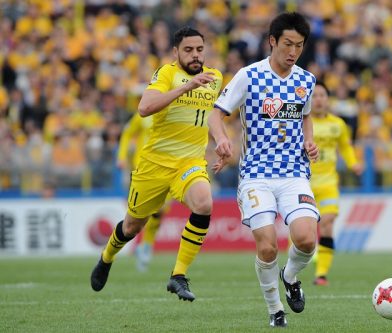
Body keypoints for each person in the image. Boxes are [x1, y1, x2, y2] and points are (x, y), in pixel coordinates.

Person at [90, 26, 223, 302]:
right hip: (154, 165)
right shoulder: (166, 73)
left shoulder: (215, 78)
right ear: (176, 52)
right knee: (131, 227)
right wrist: (186, 86)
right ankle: (107, 256)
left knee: (204, 202)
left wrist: (221, 140)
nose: (195, 55)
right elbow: (144, 107)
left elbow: (211, 114)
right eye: (188, 50)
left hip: (189, 162)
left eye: (199, 49)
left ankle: (178, 276)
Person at [208, 12, 319, 328]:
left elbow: (306, 114)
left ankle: (291, 275)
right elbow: (218, 114)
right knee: (268, 244)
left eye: (298, 45)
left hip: (294, 173)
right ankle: (275, 311)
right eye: (287, 44)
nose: (292, 52)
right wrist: (222, 139)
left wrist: (309, 141)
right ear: (272, 41)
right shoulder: (249, 76)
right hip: (256, 175)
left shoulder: (306, 81)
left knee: (307, 239)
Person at [309, 82, 362, 286]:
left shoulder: (337, 124)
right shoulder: (303, 123)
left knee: (327, 223)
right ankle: (301, 262)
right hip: (304, 182)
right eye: (315, 96)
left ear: (328, 99)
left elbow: (346, 148)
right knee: (302, 227)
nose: (319, 99)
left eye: (322, 95)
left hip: (329, 183)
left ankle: (321, 274)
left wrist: (353, 163)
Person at [116, 112, 172, 272]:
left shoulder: (175, 111)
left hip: (167, 168)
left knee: (161, 210)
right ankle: (118, 250)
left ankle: (146, 245)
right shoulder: (144, 113)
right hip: (143, 168)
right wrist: (121, 156)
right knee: (140, 214)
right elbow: (127, 133)